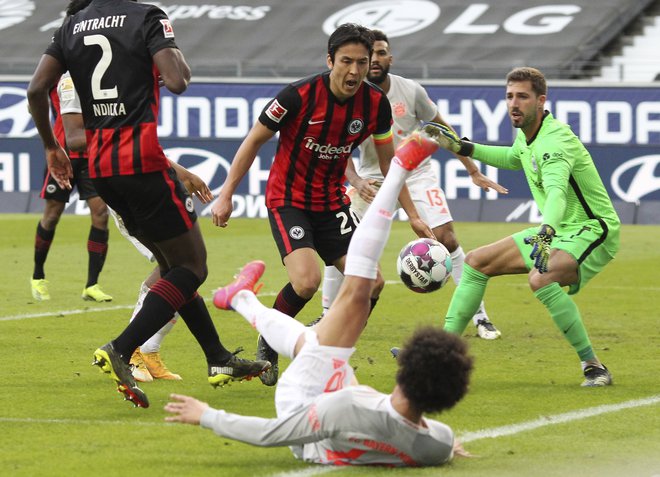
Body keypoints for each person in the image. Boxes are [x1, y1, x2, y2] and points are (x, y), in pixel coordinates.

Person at [165, 129, 473, 467]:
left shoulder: (343, 411)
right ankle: (240, 298)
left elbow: (270, 433)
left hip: (302, 401)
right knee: (318, 334)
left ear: (403, 369)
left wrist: (206, 415)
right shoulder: (439, 443)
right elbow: (419, 433)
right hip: (346, 400)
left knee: (355, 293)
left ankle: (399, 169)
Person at [27, 0, 269, 408]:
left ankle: (218, 358)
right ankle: (122, 348)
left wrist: (51, 148)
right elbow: (177, 81)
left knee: (173, 267)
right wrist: (170, 53)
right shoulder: (146, 16)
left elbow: (35, 89)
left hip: (102, 172)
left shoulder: (70, 27)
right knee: (192, 267)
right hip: (142, 164)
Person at [211, 23, 433, 387]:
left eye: (362, 62)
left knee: (373, 282)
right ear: (329, 60)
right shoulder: (297, 96)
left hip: (331, 203)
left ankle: (330, 345)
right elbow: (253, 141)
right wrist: (226, 194)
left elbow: (392, 164)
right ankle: (270, 339)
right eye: (346, 61)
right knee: (306, 282)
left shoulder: (375, 104)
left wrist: (412, 214)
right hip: (289, 199)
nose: (354, 71)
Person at [424, 67, 620, 386]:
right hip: (557, 230)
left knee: (540, 279)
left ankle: (594, 366)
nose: (514, 104)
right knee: (475, 263)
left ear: (541, 101)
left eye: (523, 97)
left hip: (592, 229)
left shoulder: (555, 143)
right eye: (509, 96)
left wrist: (547, 231)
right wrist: (462, 147)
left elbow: (556, 193)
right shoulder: (529, 135)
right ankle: (440, 357)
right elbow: (513, 158)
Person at [320, 30, 508, 340]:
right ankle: (326, 315)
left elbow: (442, 129)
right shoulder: (350, 95)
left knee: (446, 238)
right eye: (373, 55)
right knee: (338, 242)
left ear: (388, 58)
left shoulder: (411, 91)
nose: (377, 60)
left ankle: (480, 317)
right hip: (373, 179)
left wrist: (472, 169)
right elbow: (338, 146)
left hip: (416, 175)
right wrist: (353, 179)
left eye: (382, 53)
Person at [31, 70, 112, 303]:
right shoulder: (55, 73)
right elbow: (33, 101)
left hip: (91, 154)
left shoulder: (97, 71)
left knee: (100, 213)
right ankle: (38, 276)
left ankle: (92, 284)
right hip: (62, 153)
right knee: (53, 214)